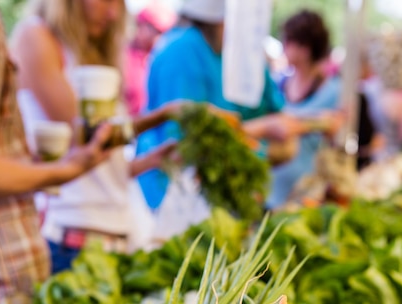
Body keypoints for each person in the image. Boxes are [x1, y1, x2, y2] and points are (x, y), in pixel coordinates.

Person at [10, 0, 181, 274]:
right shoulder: (37, 36)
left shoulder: (95, 50)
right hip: (69, 238)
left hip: (115, 236)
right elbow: (87, 137)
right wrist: (164, 115)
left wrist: (151, 160)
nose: (113, 13)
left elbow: (100, 165)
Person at [0, 5, 114, 304]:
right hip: (7, 274)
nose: (115, 13)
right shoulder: (36, 36)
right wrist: (64, 170)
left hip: (18, 267)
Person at [135, 0, 302, 215]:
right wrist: (261, 135)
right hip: (173, 194)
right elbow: (187, 141)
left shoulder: (226, 53)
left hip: (209, 194)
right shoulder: (182, 51)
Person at [246, 10, 343, 210]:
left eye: (288, 41)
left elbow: (335, 130)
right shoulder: (278, 85)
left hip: (303, 195)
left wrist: (294, 126)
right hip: (266, 189)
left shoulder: (332, 91)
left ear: (305, 48)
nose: (283, 46)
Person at [123, 1, 176, 117]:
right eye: (156, 32)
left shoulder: (163, 59)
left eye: (162, 33)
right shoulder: (125, 56)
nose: (160, 39)